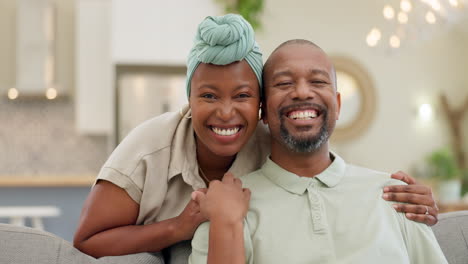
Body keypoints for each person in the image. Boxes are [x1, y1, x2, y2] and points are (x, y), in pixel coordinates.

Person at [73, 14, 438, 259]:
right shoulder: (150, 149)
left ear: (259, 108)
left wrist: (409, 201)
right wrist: (190, 225)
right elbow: (87, 240)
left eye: (243, 96)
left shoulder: (279, 140)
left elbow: (323, 168)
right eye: (209, 96)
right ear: (189, 100)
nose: (226, 112)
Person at [189, 39, 448, 264]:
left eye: (317, 81)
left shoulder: (398, 197)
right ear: (264, 112)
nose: (302, 92)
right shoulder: (226, 208)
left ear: (336, 105)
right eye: (284, 83)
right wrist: (225, 220)